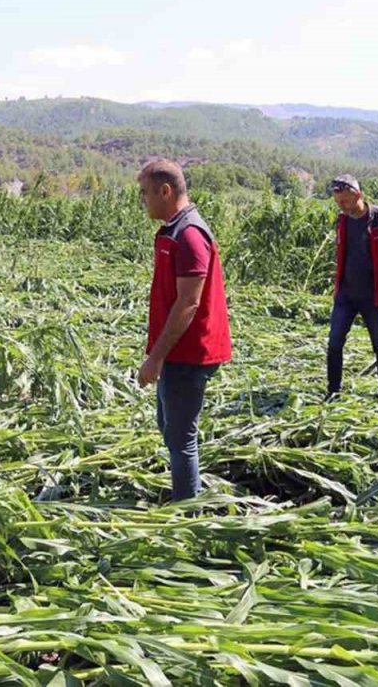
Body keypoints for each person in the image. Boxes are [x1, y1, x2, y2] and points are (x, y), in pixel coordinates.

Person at [136, 159, 232, 501]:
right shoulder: (173, 230)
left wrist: (155, 358)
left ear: (165, 191)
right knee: (170, 427)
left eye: (145, 192)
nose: (142, 200)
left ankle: (186, 513)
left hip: (190, 353)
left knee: (181, 439)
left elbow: (189, 303)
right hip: (176, 350)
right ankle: (187, 496)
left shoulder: (190, 235)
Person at [327, 174, 378, 398]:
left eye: (345, 201)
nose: (342, 206)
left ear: (358, 195)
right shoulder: (342, 220)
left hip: (374, 294)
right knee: (334, 343)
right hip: (346, 294)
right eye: (338, 202)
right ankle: (333, 391)